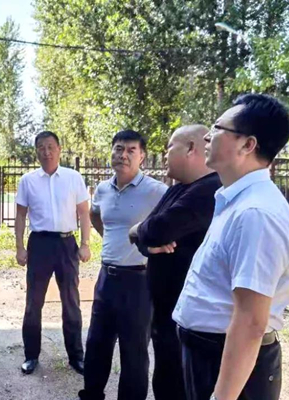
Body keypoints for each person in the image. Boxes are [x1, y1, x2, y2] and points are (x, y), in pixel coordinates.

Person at [173, 94, 289, 400]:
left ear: (247, 145)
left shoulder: (256, 213)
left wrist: (222, 396)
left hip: (229, 366)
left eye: (217, 128)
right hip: (210, 354)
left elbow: (251, 321)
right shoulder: (235, 200)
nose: (207, 136)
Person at [128, 125, 221, 400]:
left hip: (188, 319)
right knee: (165, 380)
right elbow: (148, 235)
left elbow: (156, 229)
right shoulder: (178, 189)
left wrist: (140, 232)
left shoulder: (209, 190)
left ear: (191, 148)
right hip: (167, 313)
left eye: (170, 147)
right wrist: (142, 236)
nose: (165, 154)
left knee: (179, 386)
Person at [78, 130, 167, 400]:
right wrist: (112, 239)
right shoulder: (103, 189)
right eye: (118, 149)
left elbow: (173, 222)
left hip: (139, 282)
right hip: (106, 278)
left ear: (142, 157)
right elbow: (95, 215)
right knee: (96, 344)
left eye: (131, 150)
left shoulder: (156, 191)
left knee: (134, 352)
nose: (123, 155)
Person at [15, 130, 92, 375]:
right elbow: (20, 215)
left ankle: (76, 356)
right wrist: (19, 247)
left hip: (66, 244)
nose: (46, 152)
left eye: (50, 147)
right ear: (36, 151)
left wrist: (85, 243)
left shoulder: (73, 177)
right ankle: (31, 355)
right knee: (33, 302)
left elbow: (84, 212)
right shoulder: (28, 181)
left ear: (59, 149)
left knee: (71, 301)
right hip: (39, 245)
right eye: (41, 147)